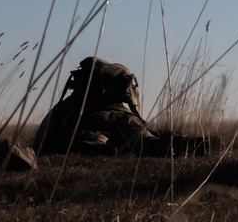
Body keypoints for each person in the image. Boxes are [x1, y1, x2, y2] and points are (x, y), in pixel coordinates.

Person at [34, 57, 204, 157]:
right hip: (112, 125)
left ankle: (96, 147)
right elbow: (144, 140)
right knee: (148, 142)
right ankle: (191, 145)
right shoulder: (123, 116)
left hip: (67, 139)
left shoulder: (63, 108)